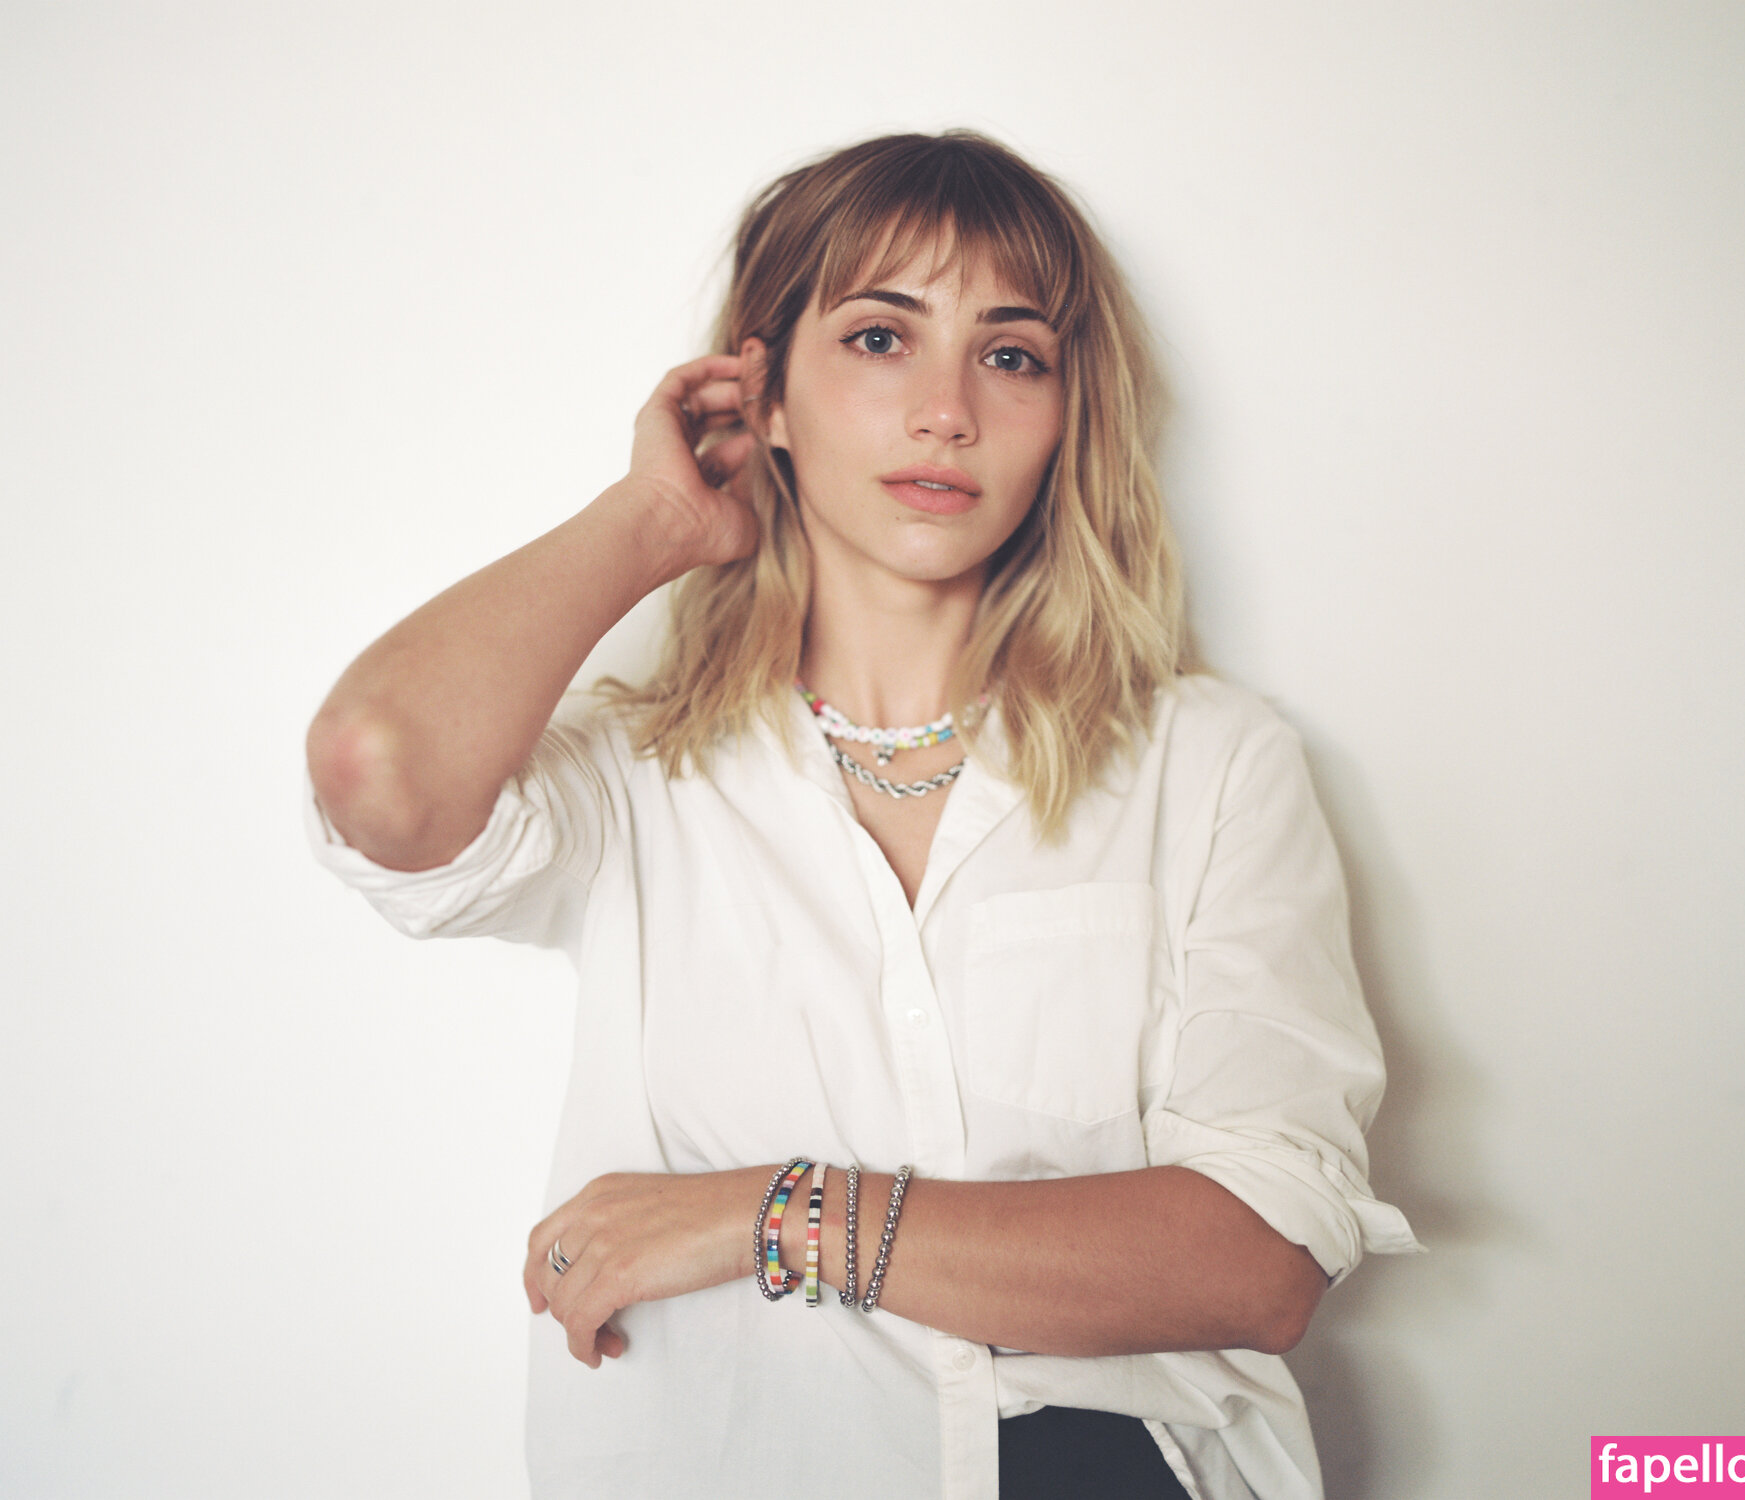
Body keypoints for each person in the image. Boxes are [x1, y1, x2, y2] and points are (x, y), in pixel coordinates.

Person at [305, 130, 1419, 1500]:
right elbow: (377, 766)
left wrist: (774, 1214)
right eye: (881, 339)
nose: (947, 411)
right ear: (762, 394)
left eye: (1011, 355)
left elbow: (1257, 1261)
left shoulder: (1209, 764)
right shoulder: (638, 773)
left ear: (1069, 413)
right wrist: (654, 516)